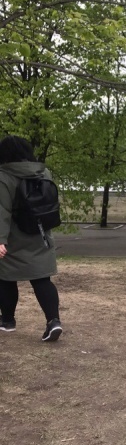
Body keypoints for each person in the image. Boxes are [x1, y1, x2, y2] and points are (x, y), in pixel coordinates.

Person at [0, 135, 63, 341]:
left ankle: (7, 320)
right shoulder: (44, 172)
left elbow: (2, 211)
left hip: (14, 237)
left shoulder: (3, 176)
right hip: (41, 234)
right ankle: (53, 321)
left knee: (5, 278)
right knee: (42, 279)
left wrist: (0, 239)